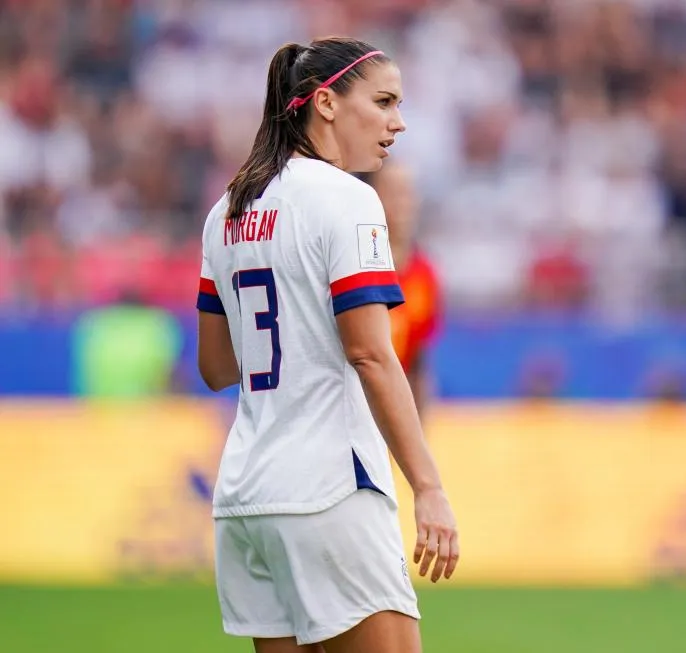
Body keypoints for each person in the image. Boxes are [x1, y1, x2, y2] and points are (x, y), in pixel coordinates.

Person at [195, 37, 458, 653]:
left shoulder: (226, 212)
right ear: (327, 103)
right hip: (330, 492)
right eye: (385, 100)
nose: (398, 122)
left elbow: (214, 366)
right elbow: (371, 354)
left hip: (246, 499)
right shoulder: (350, 199)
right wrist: (428, 486)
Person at [367, 161, 441, 421]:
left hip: (392, 416)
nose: (402, 203)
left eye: (408, 193)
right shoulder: (356, 267)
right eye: (392, 192)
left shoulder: (424, 274)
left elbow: (419, 364)